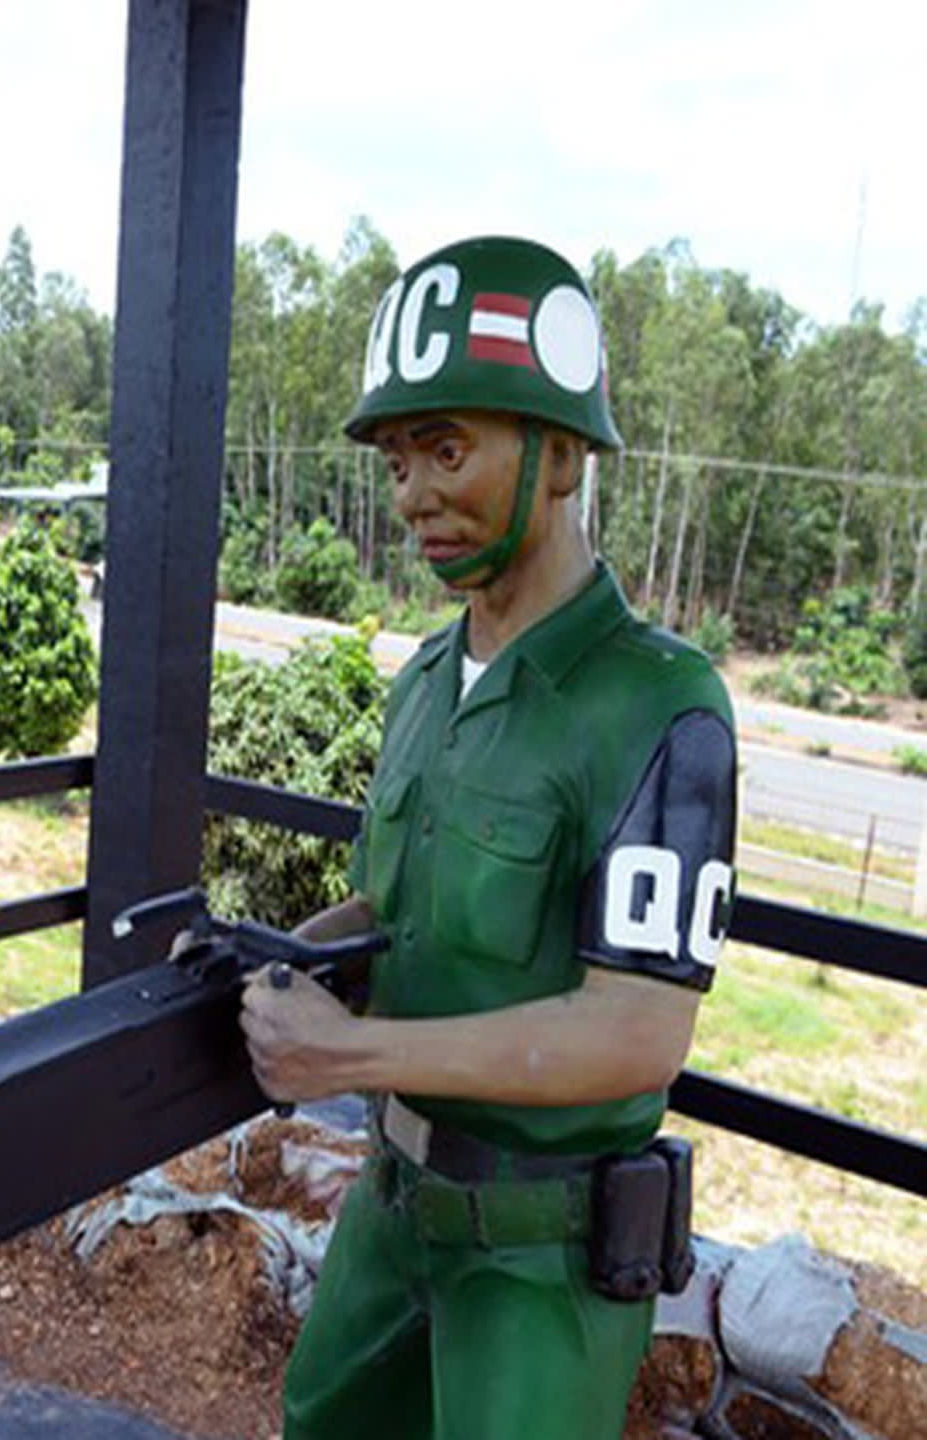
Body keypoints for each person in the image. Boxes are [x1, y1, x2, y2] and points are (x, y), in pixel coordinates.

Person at [241, 235, 737, 1440]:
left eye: (447, 449)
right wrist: (272, 956)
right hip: (393, 1206)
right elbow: (392, 913)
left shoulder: (657, 704)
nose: (411, 492)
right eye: (398, 459)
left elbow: (636, 1032)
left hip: (537, 1260)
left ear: (560, 455)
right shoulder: (424, 681)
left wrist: (347, 1056)